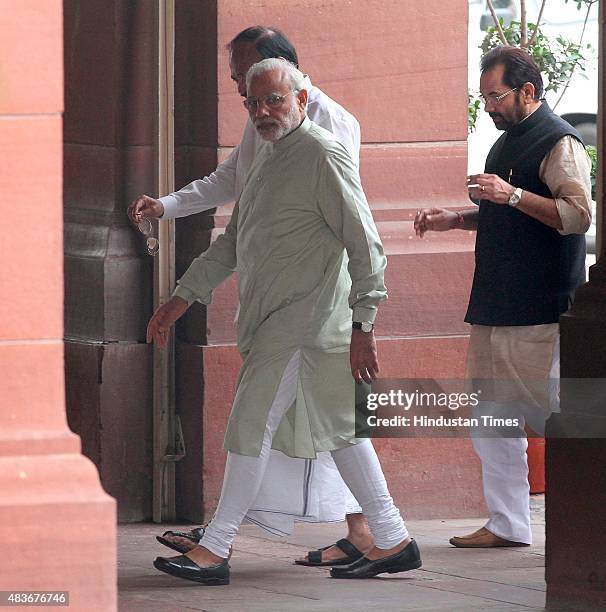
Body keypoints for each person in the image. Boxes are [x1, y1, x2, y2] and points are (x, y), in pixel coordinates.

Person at [150, 59, 422, 584]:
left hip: (306, 321)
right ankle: (393, 539)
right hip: (283, 319)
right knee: (344, 433)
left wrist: (365, 325)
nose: (262, 112)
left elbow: (366, 243)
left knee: (250, 424)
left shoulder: (322, 152)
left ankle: (216, 547)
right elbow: (235, 241)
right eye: (253, 103)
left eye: (274, 100)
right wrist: (180, 299)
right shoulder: (269, 155)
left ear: (301, 99)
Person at [128, 26, 370, 566]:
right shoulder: (264, 116)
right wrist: (167, 208)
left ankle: (219, 542)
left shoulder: (326, 127)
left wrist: (362, 319)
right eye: (242, 86)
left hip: (311, 305)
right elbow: (237, 194)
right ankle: (377, 534)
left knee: (268, 426)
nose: (241, 88)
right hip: (271, 299)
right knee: (327, 429)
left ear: (286, 78)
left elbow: (353, 229)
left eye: (244, 74)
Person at [415, 46, 592, 548]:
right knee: (489, 418)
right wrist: (459, 217)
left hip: (540, 308)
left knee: (555, 414)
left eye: (495, 96)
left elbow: (577, 216)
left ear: (528, 92)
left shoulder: (561, 142)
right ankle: (508, 525)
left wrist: (510, 195)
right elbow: (508, 212)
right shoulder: (507, 140)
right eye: (484, 97)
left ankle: (583, 527)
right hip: (496, 304)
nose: (488, 106)